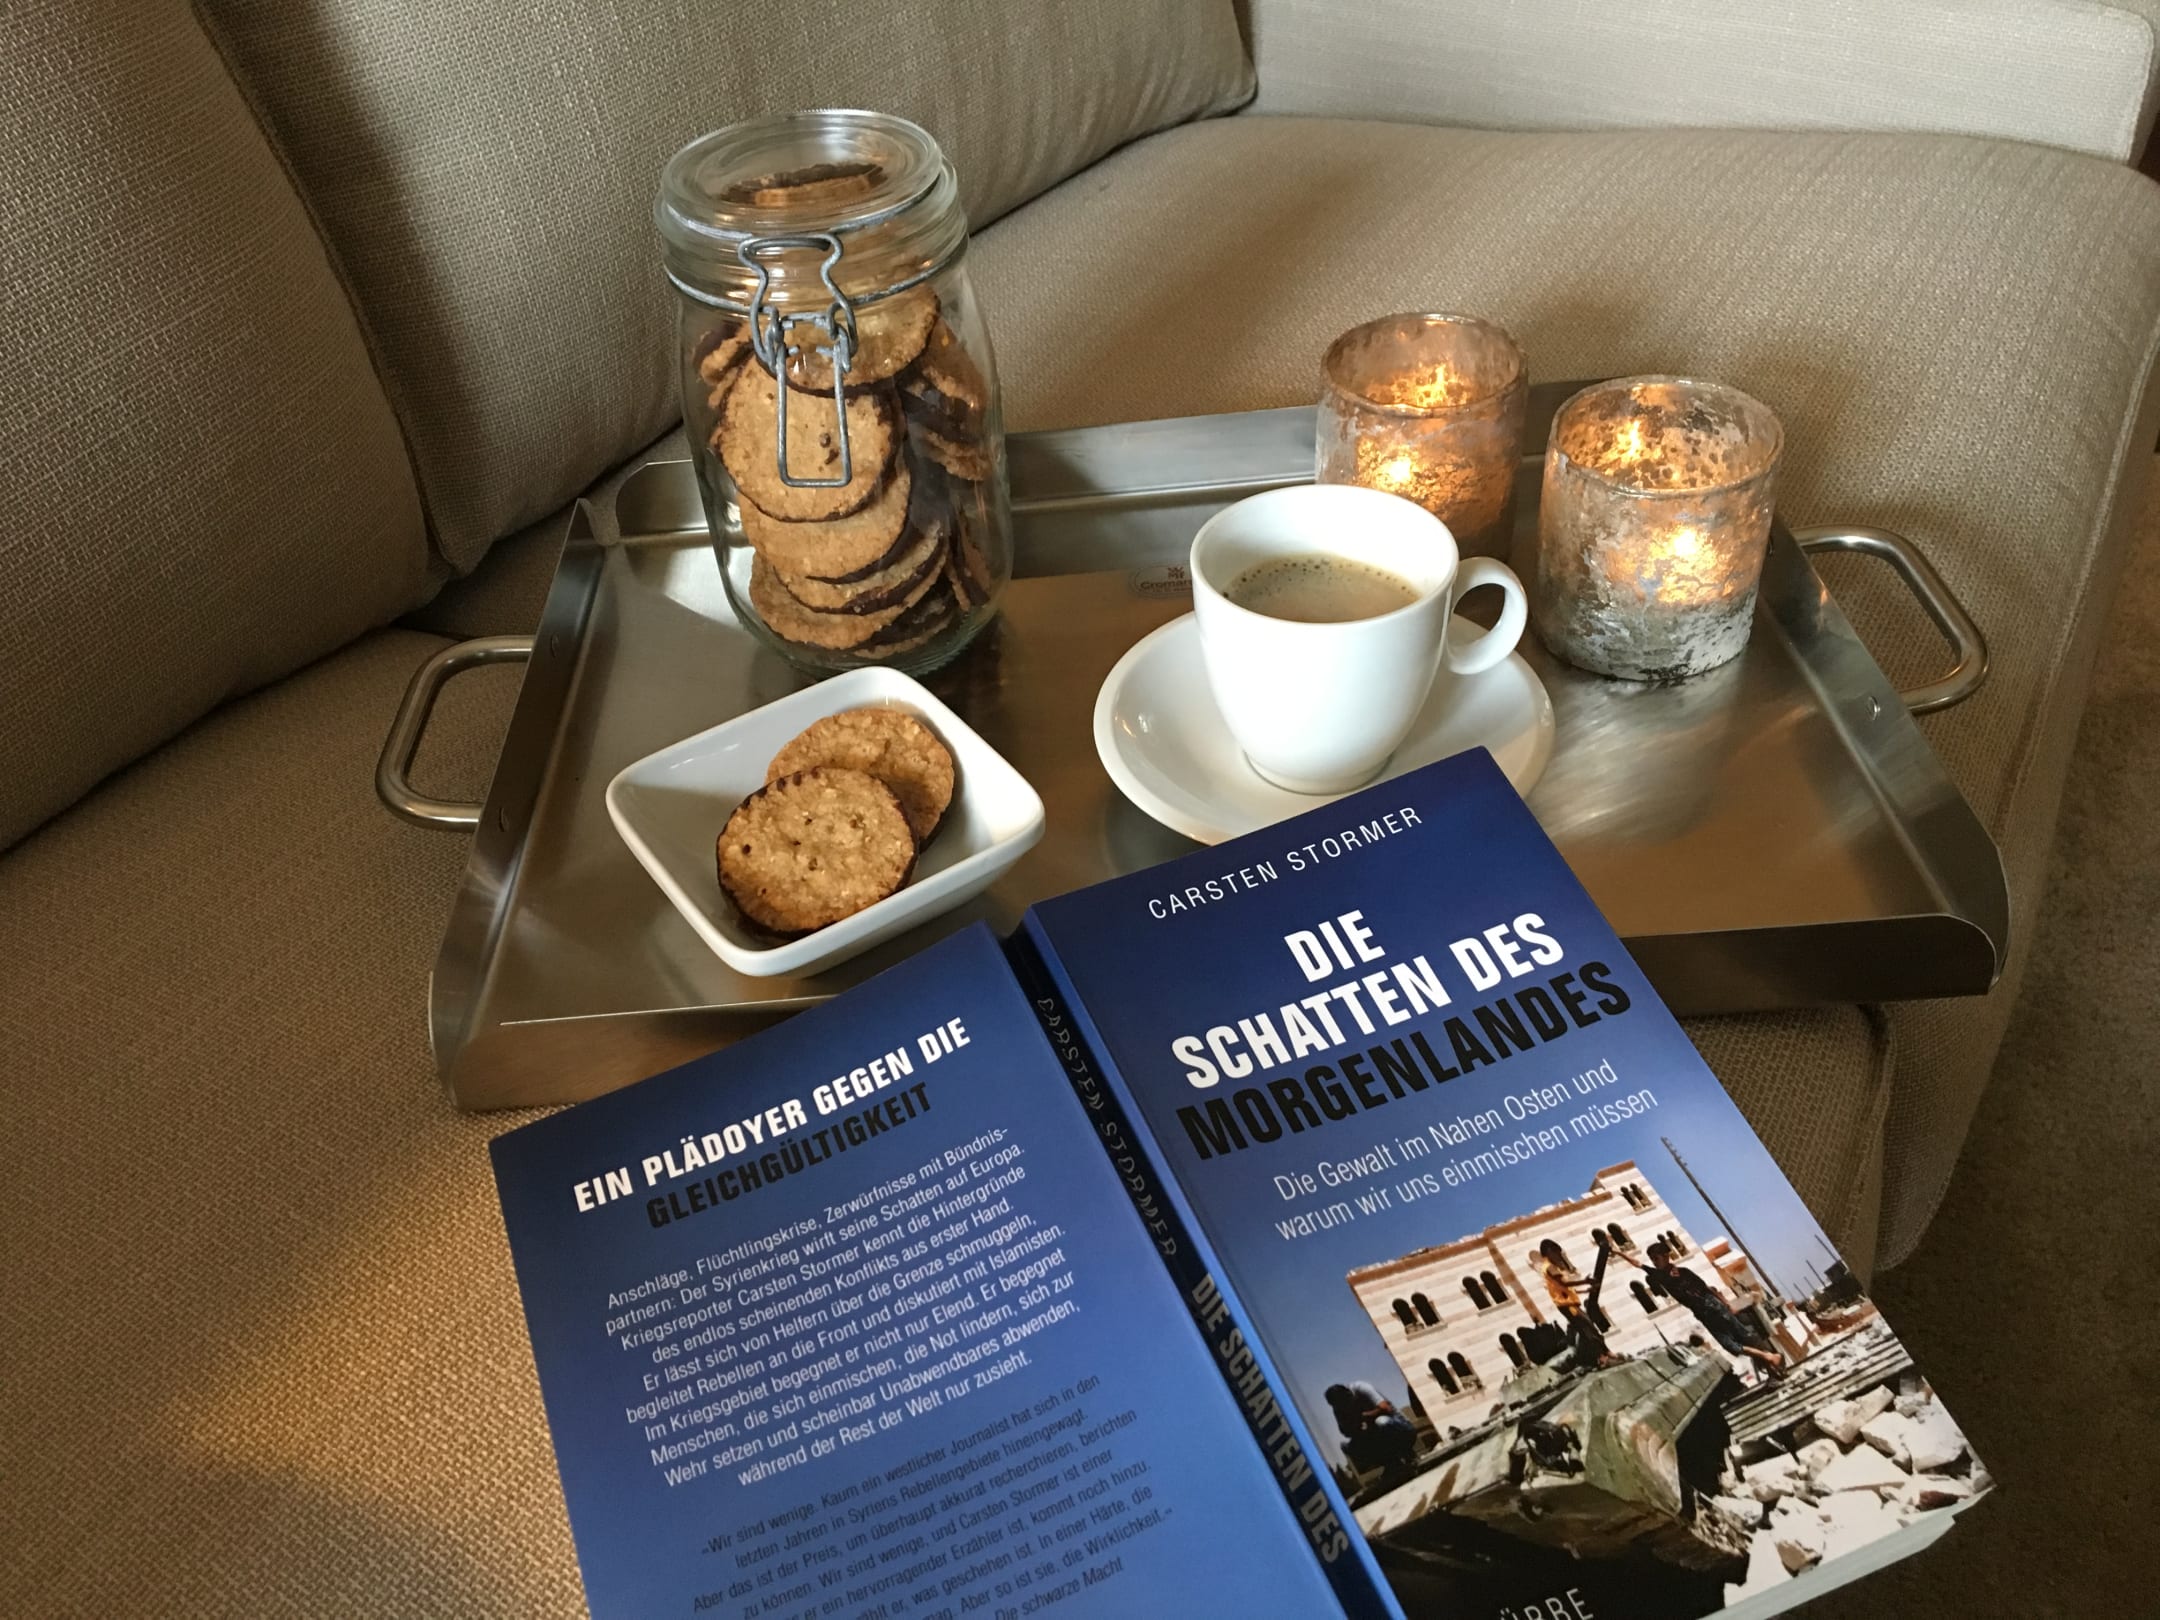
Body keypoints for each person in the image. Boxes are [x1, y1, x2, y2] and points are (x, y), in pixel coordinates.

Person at [1621, 1240, 1785, 1380]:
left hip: (1710, 1307)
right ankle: (1771, 1361)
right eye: (1652, 1259)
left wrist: (1727, 1305)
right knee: (1736, 1343)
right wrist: (1618, 1253)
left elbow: (1707, 1288)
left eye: (1656, 1258)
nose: (1654, 1262)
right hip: (1706, 1310)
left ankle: (1771, 1363)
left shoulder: (1682, 1273)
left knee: (1738, 1341)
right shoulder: (1662, 1275)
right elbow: (1637, 1264)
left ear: (1665, 1256)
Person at [1530, 1239, 1615, 1368]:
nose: (1559, 1256)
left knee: (1589, 1327)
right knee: (1587, 1329)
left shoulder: (1551, 1267)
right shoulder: (1550, 1267)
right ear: (1550, 1251)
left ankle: (1605, 1352)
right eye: (1557, 1253)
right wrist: (1585, 1281)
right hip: (1567, 1306)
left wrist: (1585, 1290)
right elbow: (1564, 1283)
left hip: (1570, 1304)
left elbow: (1565, 1289)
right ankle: (1601, 1356)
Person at [1324, 1381, 1417, 1477]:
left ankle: (1407, 1453)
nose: (1345, 1407)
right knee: (1350, 1446)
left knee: (1381, 1422)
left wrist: (1364, 1416)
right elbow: (1344, 1431)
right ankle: (1392, 1465)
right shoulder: (1338, 1407)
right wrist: (1353, 1426)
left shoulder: (1361, 1388)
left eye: (1345, 1403)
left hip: (1402, 1429)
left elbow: (1386, 1408)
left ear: (1348, 1394)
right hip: (1376, 1435)